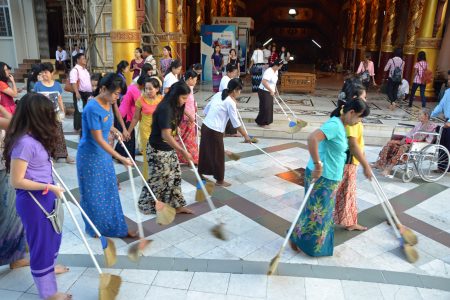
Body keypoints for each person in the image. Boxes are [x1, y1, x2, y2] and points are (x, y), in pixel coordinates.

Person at [4, 93, 69, 299]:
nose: (52, 118)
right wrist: (49, 187)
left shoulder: (34, 137)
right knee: (41, 244)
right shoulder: (24, 143)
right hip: (34, 200)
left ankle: (48, 270)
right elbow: (16, 180)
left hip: (45, 194)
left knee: (53, 237)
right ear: (36, 116)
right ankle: (49, 293)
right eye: (47, 115)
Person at [289, 98, 370, 257]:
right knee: (317, 214)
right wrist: (318, 164)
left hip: (330, 177)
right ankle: (300, 240)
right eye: (359, 117)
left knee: (319, 213)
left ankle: (300, 239)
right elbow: (312, 138)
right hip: (322, 177)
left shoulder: (342, 126)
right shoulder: (334, 125)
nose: (359, 121)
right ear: (351, 112)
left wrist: (366, 166)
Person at [76, 73, 134, 237]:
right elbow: (99, 139)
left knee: (108, 190)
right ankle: (94, 227)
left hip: (103, 155)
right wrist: (121, 157)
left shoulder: (108, 103)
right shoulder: (92, 108)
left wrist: (114, 130)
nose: (117, 97)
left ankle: (112, 226)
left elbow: (105, 125)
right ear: (102, 89)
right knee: (93, 193)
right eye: (115, 93)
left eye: (118, 94)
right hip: (90, 156)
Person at [138, 81, 193, 215]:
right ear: (175, 95)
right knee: (159, 179)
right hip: (157, 148)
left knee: (175, 176)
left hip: (168, 147)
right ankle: (146, 205)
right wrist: (182, 151)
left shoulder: (178, 105)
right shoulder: (165, 108)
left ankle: (177, 205)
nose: (185, 101)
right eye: (183, 97)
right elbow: (165, 134)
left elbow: (173, 122)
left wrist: (176, 126)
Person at [333, 82, 372, 232]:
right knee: (346, 192)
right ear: (355, 98)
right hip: (348, 161)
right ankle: (349, 222)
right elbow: (353, 144)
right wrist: (366, 165)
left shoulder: (343, 110)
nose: (366, 100)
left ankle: (347, 220)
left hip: (344, 160)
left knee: (344, 192)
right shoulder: (352, 118)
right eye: (364, 97)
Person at [198, 78, 252, 187]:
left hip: (205, 126)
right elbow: (235, 123)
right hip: (214, 130)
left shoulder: (219, 94)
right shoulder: (230, 102)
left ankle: (200, 173)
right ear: (235, 90)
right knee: (218, 155)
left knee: (205, 151)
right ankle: (220, 180)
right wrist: (246, 136)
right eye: (239, 90)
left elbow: (206, 109)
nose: (240, 93)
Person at [0, 104, 28, 270]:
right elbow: (15, 125)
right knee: (11, 214)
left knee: (11, 213)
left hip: (3, 167)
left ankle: (15, 256)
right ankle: (14, 258)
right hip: (2, 169)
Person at [33, 62, 75, 164]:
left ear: (52, 73)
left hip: (55, 114)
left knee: (59, 134)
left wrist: (63, 111)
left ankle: (64, 155)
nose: (44, 74)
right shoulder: (37, 85)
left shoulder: (56, 85)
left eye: (46, 72)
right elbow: (34, 100)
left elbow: (60, 99)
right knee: (44, 135)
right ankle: (47, 155)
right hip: (42, 115)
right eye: (42, 73)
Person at [374, 108, 436, 176]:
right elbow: (410, 133)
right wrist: (404, 139)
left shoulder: (431, 126)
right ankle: (380, 163)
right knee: (391, 143)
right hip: (410, 141)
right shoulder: (419, 124)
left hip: (420, 144)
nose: (418, 116)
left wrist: (408, 141)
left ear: (426, 115)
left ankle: (389, 169)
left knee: (403, 147)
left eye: (420, 114)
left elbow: (427, 140)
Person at [127, 77, 163, 180]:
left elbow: (166, 114)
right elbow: (135, 117)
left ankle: (158, 177)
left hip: (158, 131)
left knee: (158, 154)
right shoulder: (140, 100)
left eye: (150, 89)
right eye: (146, 89)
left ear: (157, 89)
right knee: (148, 156)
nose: (147, 91)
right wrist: (128, 131)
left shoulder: (161, 99)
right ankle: (148, 179)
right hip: (145, 131)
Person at [176, 70, 199, 164]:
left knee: (187, 139)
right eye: (195, 80)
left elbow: (190, 101)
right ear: (190, 78)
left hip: (190, 117)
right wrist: (189, 115)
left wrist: (195, 107)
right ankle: (191, 159)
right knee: (187, 140)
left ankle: (188, 158)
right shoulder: (183, 89)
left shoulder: (189, 87)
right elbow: (181, 105)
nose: (195, 82)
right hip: (186, 118)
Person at [255, 58, 283, 128]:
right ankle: (262, 123)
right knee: (265, 106)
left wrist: (275, 90)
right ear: (277, 65)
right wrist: (271, 90)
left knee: (269, 107)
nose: (281, 67)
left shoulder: (276, 71)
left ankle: (264, 122)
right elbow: (264, 82)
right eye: (281, 66)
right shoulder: (269, 71)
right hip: (264, 90)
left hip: (270, 90)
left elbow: (274, 82)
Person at [431, 76, 450, 173]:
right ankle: (442, 166)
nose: (448, 81)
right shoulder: (447, 92)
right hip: (447, 121)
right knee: (443, 143)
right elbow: (441, 105)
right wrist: (432, 114)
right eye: (449, 79)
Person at [69, 53, 92, 132]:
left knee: (86, 110)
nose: (85, 60)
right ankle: (77, 127)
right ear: (78, 60)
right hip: (80, 93)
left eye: (85, 58)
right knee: (79, 110)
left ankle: (84, 126)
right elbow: (73, 82)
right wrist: (77, 93)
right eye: (83, 58)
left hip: (87, 93)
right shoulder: (75, 70)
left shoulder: (85, 70)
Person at [219, 64, 240, 137]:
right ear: (228, 72)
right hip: (225, 99)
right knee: (231, 114)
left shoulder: (229, 79)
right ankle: (231, 132)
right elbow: (228, 92)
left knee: (230, 115)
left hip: (227, 99)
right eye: (234, 72)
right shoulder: (225, 79)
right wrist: (234, 101)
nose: (235, 74)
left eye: (235, 72)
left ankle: (230, 131)